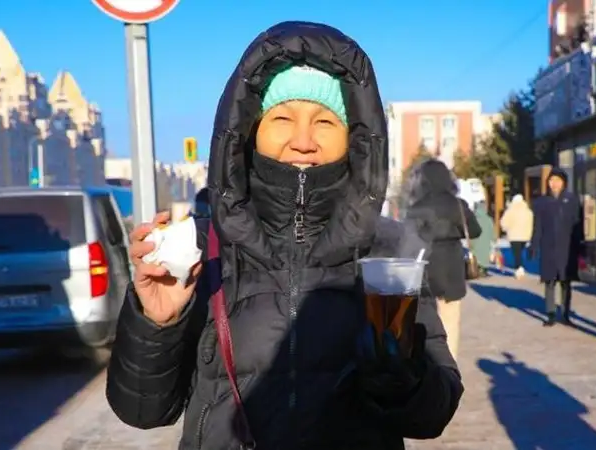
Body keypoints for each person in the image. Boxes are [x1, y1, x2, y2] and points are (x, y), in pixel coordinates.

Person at [105, 21, 462, 450]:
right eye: (282, 117)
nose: (303, 140)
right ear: (251, 129)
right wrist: (157, 323)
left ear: (355, 138)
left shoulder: (387, 250)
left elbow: (436, 412)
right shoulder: (205, 250)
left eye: (325, 121)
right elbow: (143, 412)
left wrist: (405, 380)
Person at [404, 159, 480, 362]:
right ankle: (449, 366)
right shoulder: (458, 205)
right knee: (450, 320)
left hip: (425, 269)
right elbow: (475, 231)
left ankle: (429, 363)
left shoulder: (416, 207)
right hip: (452, 270)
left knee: (425, 320)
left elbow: (406, 241)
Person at [529, 168, 582, 327]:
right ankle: (551, 313)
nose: (554, 184)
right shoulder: (542, 202)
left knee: (566, 281)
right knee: (549, 281)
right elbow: (537, 226)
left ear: (564, 182)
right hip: (549, 247)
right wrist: (534, 245)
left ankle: (565, 313)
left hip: (567, 247)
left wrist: (581, 245)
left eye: (557, 180)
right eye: (551, 180)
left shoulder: (572, 200)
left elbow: (578, 225)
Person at [500, 194, 534, 278]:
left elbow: (504, 222)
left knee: (516, 253)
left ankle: (519, 268)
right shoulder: (528, 211)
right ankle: (520, 267)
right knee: (521, 251)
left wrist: (505, 228)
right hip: (525, 235)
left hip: (514, 235)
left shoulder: (510, 210)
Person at [470, 201, 495, 277]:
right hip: (485, 241)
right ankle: (483, 270)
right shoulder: (488, 219)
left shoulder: (473, 218)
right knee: (484, 255)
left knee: (476, 254)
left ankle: (476, 269)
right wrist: (494, 238)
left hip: (475, 241)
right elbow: (492, 231)